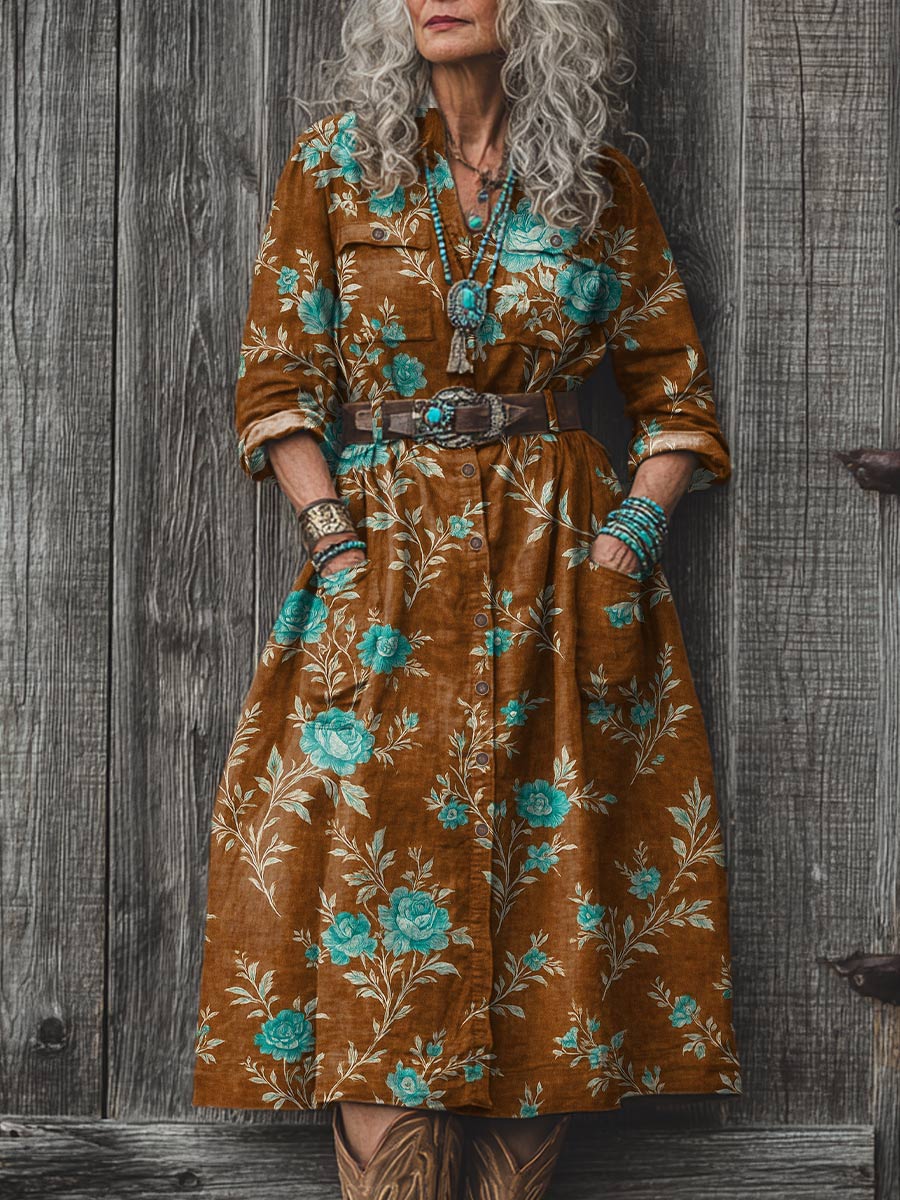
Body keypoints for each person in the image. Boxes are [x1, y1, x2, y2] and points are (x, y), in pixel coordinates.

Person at [191, 1, 742, 1196]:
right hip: (384, 569)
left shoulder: (596, 185)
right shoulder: (335, 168)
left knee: (551, 893)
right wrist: (334, 543)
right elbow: (277, 384)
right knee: (374, 891)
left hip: (559, 578)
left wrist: (625, 544)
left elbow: (676, 401)